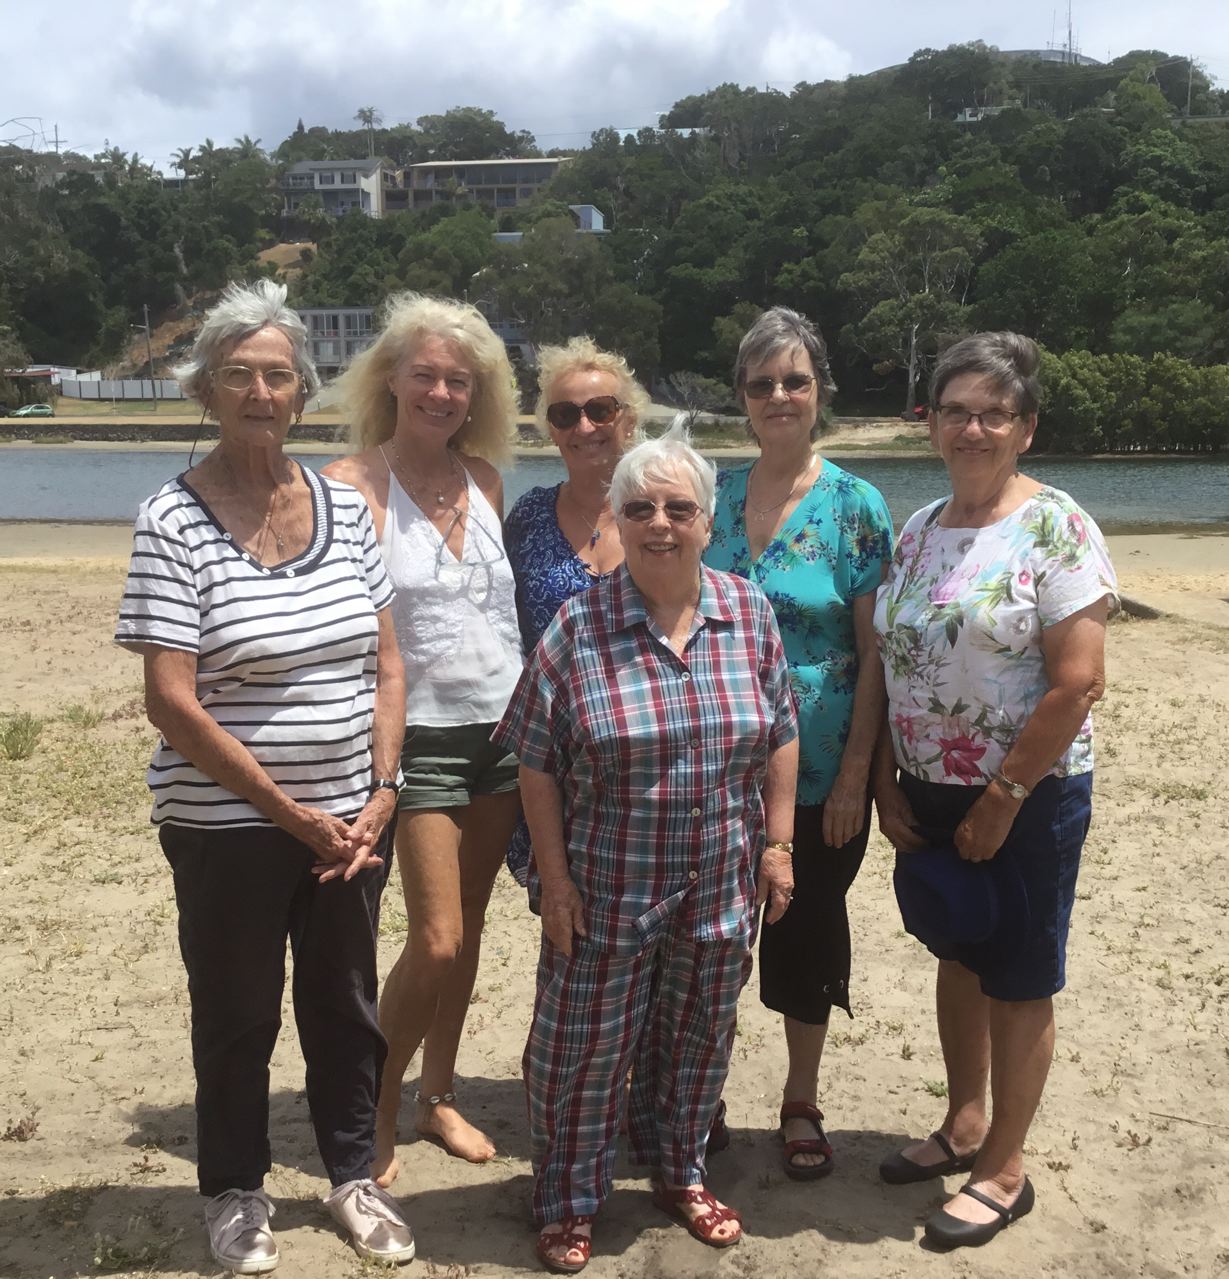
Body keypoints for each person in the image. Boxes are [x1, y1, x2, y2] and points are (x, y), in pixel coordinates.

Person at [114, 280, 415, 1272]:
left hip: (350, 823)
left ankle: (351, 1177)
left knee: (345, 1007)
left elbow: (387, 663)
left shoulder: (344, 507)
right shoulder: (171, 518)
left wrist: (381, 791)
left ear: (301, 392)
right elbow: (171, 701)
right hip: (227, 826)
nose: (258, 393)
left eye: (277, 376)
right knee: (237, 1014)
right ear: (205, 389)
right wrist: (292, 813)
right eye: (237, 374)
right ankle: (236, 1192)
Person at [494, 426, 800, 1273]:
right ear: (618, 521)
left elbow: (780, 730)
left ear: (707, 520)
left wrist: (778, 844)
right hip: (608, 882)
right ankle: (567, 1198)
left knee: (699, 1035)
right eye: (639, 509)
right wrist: (554, 880)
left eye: (677, 508)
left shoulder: (748, 611)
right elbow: (535, 761)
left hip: (719, 879)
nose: (659, 523)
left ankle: (679, 1170)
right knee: (581, 1048)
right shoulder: (577, 623)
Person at [872, 331, 1118, 1249]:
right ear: (931, 422)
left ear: (1025, 428)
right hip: (929, 788)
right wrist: (885, 777)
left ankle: (1004, 1169)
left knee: (1017, 975)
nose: (971, 428)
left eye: (993, 413)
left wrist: (1002, 795)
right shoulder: (918, 527)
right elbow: (892, 661)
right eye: (954, 411)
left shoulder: (1057, 526)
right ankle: (964, 1120)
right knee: (959, 951)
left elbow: (1076, 681)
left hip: (1027, 792)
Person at [323, 292, 523, 1179]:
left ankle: (436, 1093)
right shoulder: (350, 484)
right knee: (435, 935)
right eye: (426, 375)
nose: (441, 392)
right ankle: (376, 1103)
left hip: (505, 728)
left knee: (469, 926)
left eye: (458, 380)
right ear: (391, 380)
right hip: (420, 735)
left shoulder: (484, 480)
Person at [704, 306, 893, 1179]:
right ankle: (698, 1092)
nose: (777, 395)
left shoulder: (856, 505)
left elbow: (873, 650)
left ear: (819, 390)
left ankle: (800, 1096)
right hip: (713, 768)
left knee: (805, 925)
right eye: (761, 383)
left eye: (794, 380)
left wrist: (857, 770)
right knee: (707, 937)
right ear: (740, 396)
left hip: (820, 771)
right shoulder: (711, 496)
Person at [502, 336, 649, 886]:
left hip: (650, 749)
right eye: (565, 414)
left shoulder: (662, 511)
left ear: (628, 418)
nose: (584, 426)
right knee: (563, 910)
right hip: (553, 760)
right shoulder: (528, 516)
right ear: (551, 429)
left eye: (600, 410)